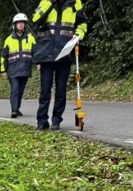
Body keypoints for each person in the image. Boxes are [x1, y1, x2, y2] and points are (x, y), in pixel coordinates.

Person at [32, 0, 88, 130]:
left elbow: (83, 23)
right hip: (46, 53)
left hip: (65, 52)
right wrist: (50, 2)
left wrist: (78, 35)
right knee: (45, 90)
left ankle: (56, 120)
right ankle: (42, 121)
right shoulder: (45, 2)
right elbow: (36, 19)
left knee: (61, 90)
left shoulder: (75, 3)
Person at [0, 13, 36, 118]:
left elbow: (36, 52)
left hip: (25, 69)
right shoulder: (9, 39)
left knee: (20, 90)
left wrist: (38, 63)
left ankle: (17, 108)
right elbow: (3, 56)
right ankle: (14, 110)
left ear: (25, 25)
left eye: (22, 23)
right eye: (18, 23)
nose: (20, 25)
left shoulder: (31, 38)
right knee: (15, 89)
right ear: (14, 25)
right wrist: (3, 71)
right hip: (12, 70)